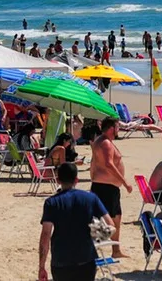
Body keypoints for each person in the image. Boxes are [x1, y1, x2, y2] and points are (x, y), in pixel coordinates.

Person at [39, 162, 113, 281]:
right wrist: (95, 235)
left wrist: (41, 266)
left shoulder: (51, 202)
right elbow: (110, 224)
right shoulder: (91, 198)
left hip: (61, 259)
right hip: (86, 258)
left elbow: (46, 234)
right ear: (76, 180)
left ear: (58, 180)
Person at [90, 117, 132, 258]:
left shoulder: (100, 141)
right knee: (103, 220)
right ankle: (93, 250)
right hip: (106, 187)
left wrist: (93, 178)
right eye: (117, 126)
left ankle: (115, 250)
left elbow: (93, 163)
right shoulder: (106, 143)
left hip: (106, 186)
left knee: (116, 219)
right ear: (111, 128)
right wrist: (125, 182)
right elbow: (109, 164)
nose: (119, 129)